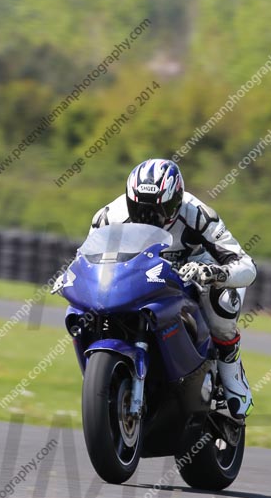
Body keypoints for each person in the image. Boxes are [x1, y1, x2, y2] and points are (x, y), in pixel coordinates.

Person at [89, 158, 256, 421]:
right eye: (140, 209)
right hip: (139, 274)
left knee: (222, 301)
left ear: (176, 201)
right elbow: (89, 256)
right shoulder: (109, 216)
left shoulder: (199, 214)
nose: (148, 217)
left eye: (158, 209)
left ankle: (230, 366)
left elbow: (246, 264)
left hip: (193, 273)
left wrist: (214, 273)